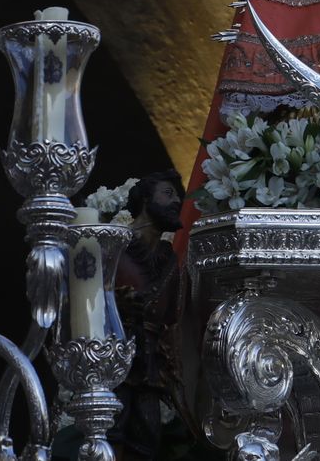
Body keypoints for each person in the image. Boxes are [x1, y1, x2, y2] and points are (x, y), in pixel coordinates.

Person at [110, 171, 186, 461]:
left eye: (177, 195)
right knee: (110, 430)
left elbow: (173, 320)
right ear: (144, 199)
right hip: (116, 359)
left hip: (150, 368)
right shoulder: (116, 247)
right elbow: (87, 302)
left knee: (147, 438)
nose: (177, 201)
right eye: (168, 193)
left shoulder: (168, 262)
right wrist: (113, 302)